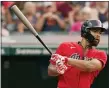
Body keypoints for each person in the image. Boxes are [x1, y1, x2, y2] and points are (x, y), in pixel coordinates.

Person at [48, 20, 107, 88]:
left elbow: (89, 66)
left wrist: (66, 60)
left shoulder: (100, 54)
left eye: (100, 33)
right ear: (85, 32)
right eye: (95, 31)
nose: (98, 35)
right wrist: (58, 69)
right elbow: (50, 70)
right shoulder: (65, 46)